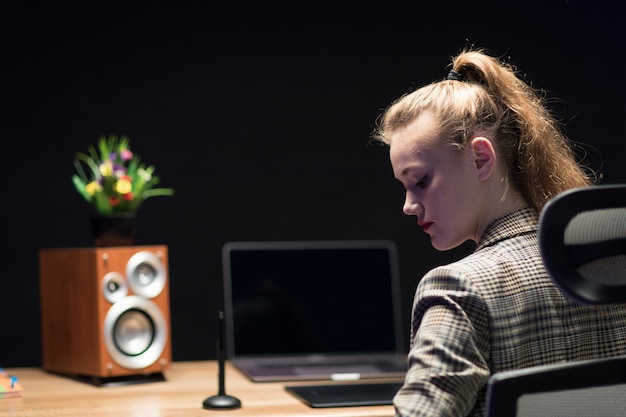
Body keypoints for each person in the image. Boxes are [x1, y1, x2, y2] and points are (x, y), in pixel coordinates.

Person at [371, 47, 626, 417]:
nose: (409, 205)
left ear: (481, 158)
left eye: (421, 180)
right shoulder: (613, 266)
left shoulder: (458, 287)